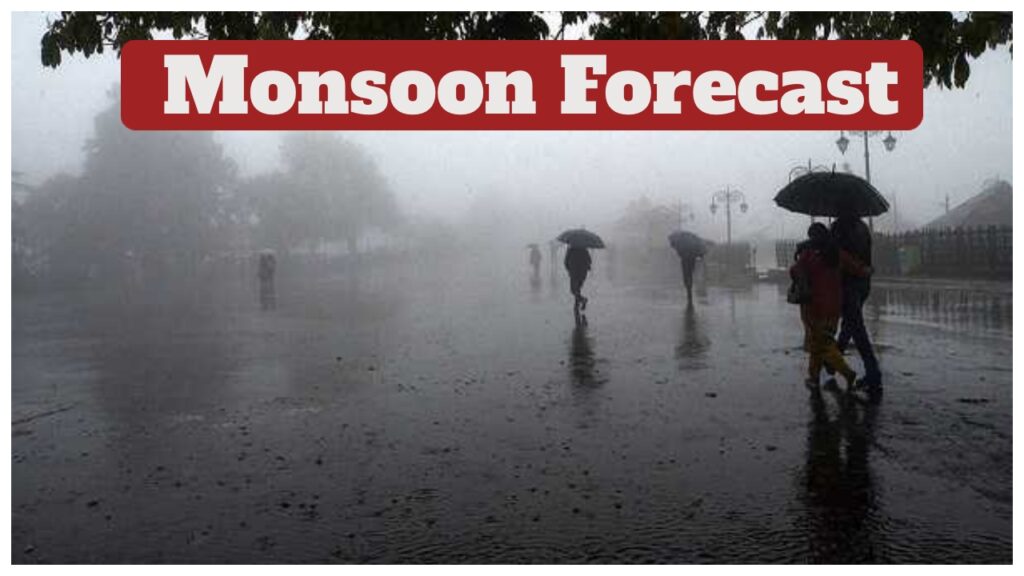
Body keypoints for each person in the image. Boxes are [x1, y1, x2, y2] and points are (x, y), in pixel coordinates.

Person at [791, 223, 860, 388]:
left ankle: (847, 373)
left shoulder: (809, 254)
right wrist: (867, 270)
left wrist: (798, 256)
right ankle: (813, 377)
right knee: (818, 343)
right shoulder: (837, 253)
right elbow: (855, 267)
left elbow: (794, 271)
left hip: (813, 307)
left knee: (823, 345)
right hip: (834, 306)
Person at [831, 211, 882, 388]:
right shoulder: (863, 227)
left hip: (848, 283)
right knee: (850, 323)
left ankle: (873, 372)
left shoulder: (839, 227)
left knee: (857, 328)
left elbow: (836, 254)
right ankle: (833, 360)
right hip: (863, 283)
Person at [673, 236, 705, 307]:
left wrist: (680, 254)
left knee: (686, 275)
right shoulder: (694, 243)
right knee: (690, 274)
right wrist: (700, 256)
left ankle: (688, 289)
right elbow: (700, 253)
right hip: (692, 260)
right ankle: (689, 288)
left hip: (685, 260)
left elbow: (678, 251)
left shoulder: (681, 243)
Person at [564, 245, 592, 314]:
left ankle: (582, 300)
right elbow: (589, 261)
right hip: (582, 273)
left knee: (573, 290)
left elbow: (566, 261)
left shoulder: (570, 250)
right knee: (578, 289)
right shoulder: (584, 250)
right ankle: (577, 304)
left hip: (574, 273)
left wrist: (569, 268)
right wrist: (587, 267)